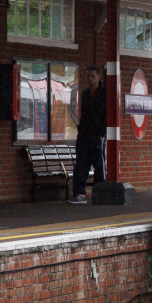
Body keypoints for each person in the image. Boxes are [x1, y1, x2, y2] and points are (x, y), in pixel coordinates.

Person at [69, 66, 106, 204]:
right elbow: (84, 113)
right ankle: (80, 194)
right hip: (85, 133)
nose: (90, 79)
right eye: (88, 76)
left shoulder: (104, 93)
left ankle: (100, 193)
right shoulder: (85, 93)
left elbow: (105, 114)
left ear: (99, 77)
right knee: (81, 164)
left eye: (93, 76)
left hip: (97, 134)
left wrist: (102, 133)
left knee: (99, 165)